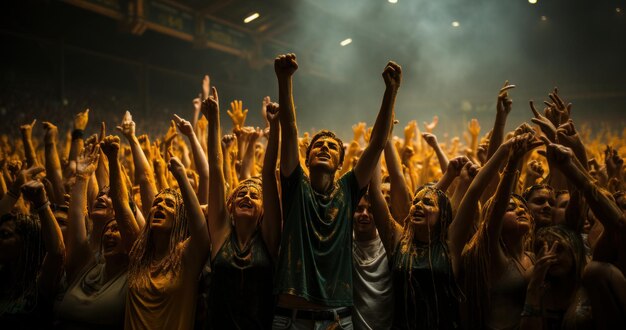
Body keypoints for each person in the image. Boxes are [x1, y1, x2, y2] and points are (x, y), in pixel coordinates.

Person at [271, 53, 401, 328]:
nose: (324, 148)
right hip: (293, 319)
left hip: (337, 320)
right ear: (306, 159)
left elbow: (377, 143)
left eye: (332, 147)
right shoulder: (296, 187)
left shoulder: (348, 191)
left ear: (341, 163)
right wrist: (284, 81)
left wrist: (391, 91)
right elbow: (291, 129)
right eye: (318, 145)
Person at [203, 86, 281, 328]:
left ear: (263, 210)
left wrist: (275, 129)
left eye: (254, 196)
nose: (246, 196)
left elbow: (268, 174)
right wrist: (214, 121)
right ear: (231, 205)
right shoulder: (221, 236)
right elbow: (216, 172)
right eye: (241, 194)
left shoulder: (269, 238)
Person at [54, 138, 140, 329]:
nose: (109, 233)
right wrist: (82, 177)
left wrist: (113, 160)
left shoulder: (136, 270)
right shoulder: (86, 267)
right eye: (109, 229)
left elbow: (125, 210)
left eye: (117, 229)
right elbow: (76, 218)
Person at [124, 148, 210, 329]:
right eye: (157, 203)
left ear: (180, 218)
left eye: (169, 204)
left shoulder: (186, 256)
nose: (160, 206)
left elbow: (201, 230)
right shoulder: (139, 254)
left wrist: (181, 177)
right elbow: (135, 190)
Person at [352, 193, 393, 330]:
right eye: (359, 209)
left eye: (371, 210)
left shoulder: (389, 245)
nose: (364, 214)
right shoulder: (344, 243)